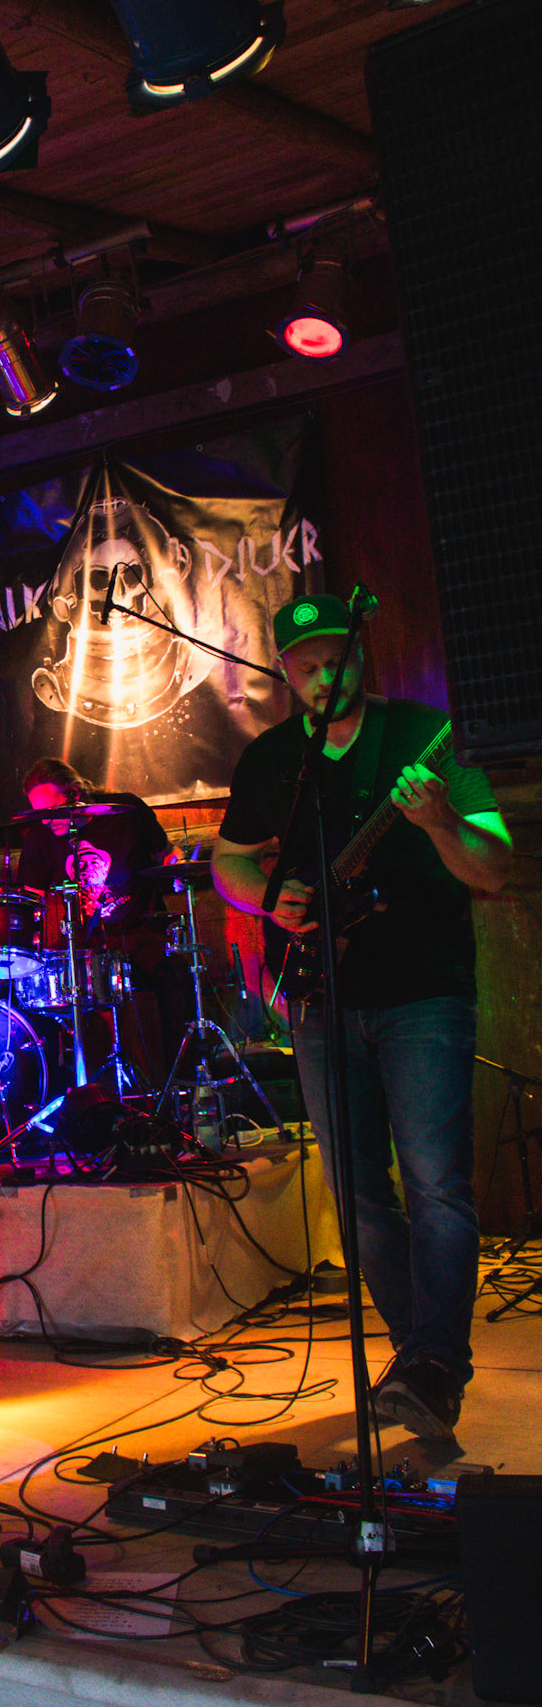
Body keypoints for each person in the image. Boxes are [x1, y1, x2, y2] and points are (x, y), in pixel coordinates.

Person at [212, 594, 512, 1440]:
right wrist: (268, 901)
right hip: (320, 996)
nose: (324, 675)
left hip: (423, 992)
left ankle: (432, 1365)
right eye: (306, 664)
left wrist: (439, 820)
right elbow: (229, 858)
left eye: (335, 657)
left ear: (361, 655)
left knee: (436, 1184)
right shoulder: (274, 759)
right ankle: (419, 1356)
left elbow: (491, 868)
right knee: (354, 1190)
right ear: (284, 673)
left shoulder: (426, 734)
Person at [17, 757, 182, 1082]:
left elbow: (168, 854)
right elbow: (30, 898)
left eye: (52, 811)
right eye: (39, 814)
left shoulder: (126, 812)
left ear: (75, 794)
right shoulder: (39, 834)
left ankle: (170, 1084)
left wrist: (178, 864)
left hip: (142, 930)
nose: (46, 821)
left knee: (167, 983)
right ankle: (94, 1089)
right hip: (87, 943)